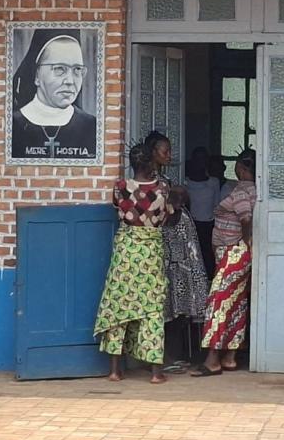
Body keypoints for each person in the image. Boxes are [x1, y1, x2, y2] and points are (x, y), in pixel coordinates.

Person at [93, 142, 170, 384]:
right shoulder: (162, 189)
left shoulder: (120, 187)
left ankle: (115, 371)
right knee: (153, 308)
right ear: (151, 163)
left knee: (119, 305)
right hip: (150, 254)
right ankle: (155, 372)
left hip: (125, 253)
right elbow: (165, 216)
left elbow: (119, 207)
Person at [191, 149, 256, 377]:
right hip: (237, 253)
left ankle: (212, 360)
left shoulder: (242, 190)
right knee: (236, 303)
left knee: (217, 302)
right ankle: (230, 357)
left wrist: (245, 242)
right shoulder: (255, 189)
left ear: (241, 167)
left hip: (234, 252)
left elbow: (246, 218)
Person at [11, 28, 96, 160]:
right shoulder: (13, 125)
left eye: (77, 69)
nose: (70, 81)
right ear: (36, 75)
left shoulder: (92, 126)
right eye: (59, 69)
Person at [162, 185, 209, 324]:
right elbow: (191, 245)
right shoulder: (183, 217)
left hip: (169, 266)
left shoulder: (164, 216)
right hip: (182, 267)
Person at [184, 148, 218, 277]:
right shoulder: (185, 182)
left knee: (208, 255)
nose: (200, 162)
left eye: (203, 159)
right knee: (192, 254)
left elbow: (217, 204)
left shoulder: (213, 182)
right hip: (191, 224)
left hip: (209, 225)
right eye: (197, 159)